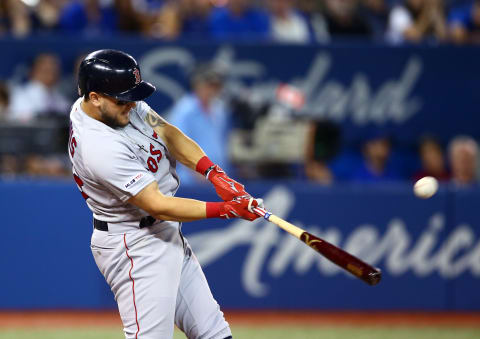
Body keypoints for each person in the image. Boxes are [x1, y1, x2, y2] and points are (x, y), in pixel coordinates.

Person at [68, 49, 262, 339]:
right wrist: (226, 209)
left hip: (162, 232)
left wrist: (213, 173)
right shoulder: (97, 146)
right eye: (123, 100)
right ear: (94, 97)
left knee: (215, 334)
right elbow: (157, 204)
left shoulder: (113, 105)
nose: (131, 106)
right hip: (135, 245)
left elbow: (168, 133)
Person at [168, 63, 231, 185]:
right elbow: (177, 146)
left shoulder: (219, 109)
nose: (212, 90)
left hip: (218, 181)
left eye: (216, 86)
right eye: (209, 85)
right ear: (197, 85)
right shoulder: (184, 109)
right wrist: (200, 174)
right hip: (190, 182)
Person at [8, 53, 70, 123]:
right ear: (32, 71)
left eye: (54, 70)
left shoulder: (60, 98)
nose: (51, 74)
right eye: (46, 70)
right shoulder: (20, 96)